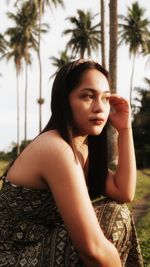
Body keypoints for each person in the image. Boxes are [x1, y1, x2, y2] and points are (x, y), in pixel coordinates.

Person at [0, 59, 143, 267]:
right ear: (63, 101)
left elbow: (124, 192)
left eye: (105, 98)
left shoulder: (79, 149)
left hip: (38, 249)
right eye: (88, 96)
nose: (99, 107)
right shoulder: (55, 148)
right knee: (110, 219)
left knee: (115, 211)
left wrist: (125, 128)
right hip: (12, 260)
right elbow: (93, 250)